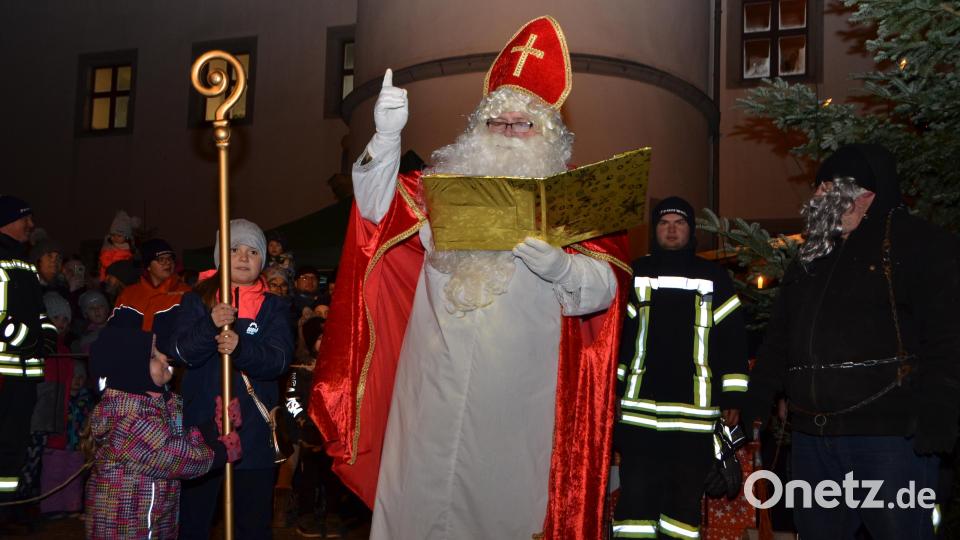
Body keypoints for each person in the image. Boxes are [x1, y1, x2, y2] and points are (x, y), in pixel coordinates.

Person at [310, 16, 630, 540]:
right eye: (496, 123)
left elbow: (606, 291)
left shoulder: (575, 201)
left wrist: (563, 266)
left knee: (503, 511)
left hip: (518, 396)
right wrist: (386, 138)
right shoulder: (438, 186)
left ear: (547, 134)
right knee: (417, 506)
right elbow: (373, 210)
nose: (507, 134)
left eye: (522, 125)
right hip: (430, 388)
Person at [742, 144, 960, 539]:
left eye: (828, 187)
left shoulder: (919, 244)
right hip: (813, 441)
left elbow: (947, 335)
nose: (817, 197)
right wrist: (757, 398)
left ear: (864, 194)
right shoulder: (810, 257)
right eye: (818, 187)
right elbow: (779, 337)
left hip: (889, 439)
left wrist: (940, 411)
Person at [611, 197, 749, 538]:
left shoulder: (714, 277)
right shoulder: (635, 274)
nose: (671, 230)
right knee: (635, 502)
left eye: (679, 223)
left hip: (694, 416)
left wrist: (733, 396)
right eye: (664, 223)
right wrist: (613, 390)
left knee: (682, 508)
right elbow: (619, 339)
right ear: (654, 230)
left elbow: (733, 340)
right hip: (640, 413)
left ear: (691, 230)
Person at [172, 218, 294, 540]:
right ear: (219, 256)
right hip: (203, 431)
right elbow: (181, 352)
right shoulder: (197, 300)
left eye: (253, 251)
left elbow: (279, 360)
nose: (243, 257)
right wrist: (209, 325)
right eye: (234, 249)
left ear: (262, 260)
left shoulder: (274, 307)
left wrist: (242, 349)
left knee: (252, 524)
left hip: (253, 432)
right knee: (194, 522)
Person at [84, 306, 241, 539]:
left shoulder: (156, 406)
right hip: (127, 529)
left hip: (153, 522)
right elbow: (175, 458)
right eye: (153, 356)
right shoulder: (130, 418)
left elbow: (178, 440)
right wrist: (220, 451)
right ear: (131, 371)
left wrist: (214, 427)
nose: (164, 357)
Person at [0, 195, 59, 525]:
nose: (31, 225)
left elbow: (40, 312)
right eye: (26, 218)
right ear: (7, 220)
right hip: (4, 373)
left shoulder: (23, 263)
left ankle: (6, 509)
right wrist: (30, 340)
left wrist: (48, 335)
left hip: (24, 375)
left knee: (15, 446)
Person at [115, 238, 190, 331]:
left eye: (170, 258)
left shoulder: (185, 293)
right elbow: (114, 331)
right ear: (148, 266)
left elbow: (192, 332)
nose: (168, 262)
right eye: (161, 259)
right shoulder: (128, 294)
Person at [98, 210, 138, 282]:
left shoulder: (130, 249)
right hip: (109, 277)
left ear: (126, 237)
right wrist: (115, 268)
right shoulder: (109, 248)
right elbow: (105, 261)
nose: (115, 238)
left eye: (119, 236)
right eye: (113, 235)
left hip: (123, 278)